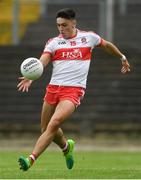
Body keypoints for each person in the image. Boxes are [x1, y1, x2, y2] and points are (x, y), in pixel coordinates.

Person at [17, 8, 130, 171]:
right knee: (45, 128)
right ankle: (66, 148)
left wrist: (122, 57)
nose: (61, 29)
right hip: (53, 88)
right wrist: (32, 74)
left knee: (54, 123)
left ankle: (30, 159)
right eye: (58, 26)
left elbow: (107, 45)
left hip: (73, 91)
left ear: (73, 23)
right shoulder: (54, 42)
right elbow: (44, 59)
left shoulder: (88, 37)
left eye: (64, 25)